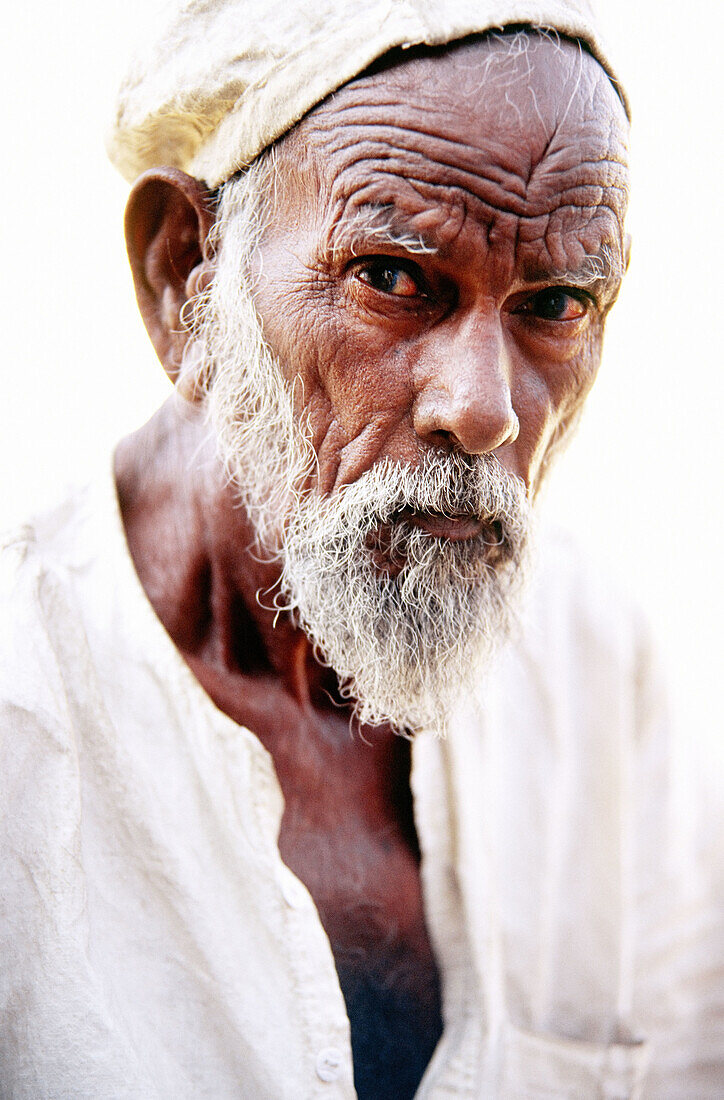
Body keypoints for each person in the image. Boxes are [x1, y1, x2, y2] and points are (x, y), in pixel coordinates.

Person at [0, 1, 721, 1096]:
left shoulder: (595, 664)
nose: (483, 410)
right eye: (391, 277)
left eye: (557, 302)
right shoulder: (25, 706)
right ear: (185, 272)